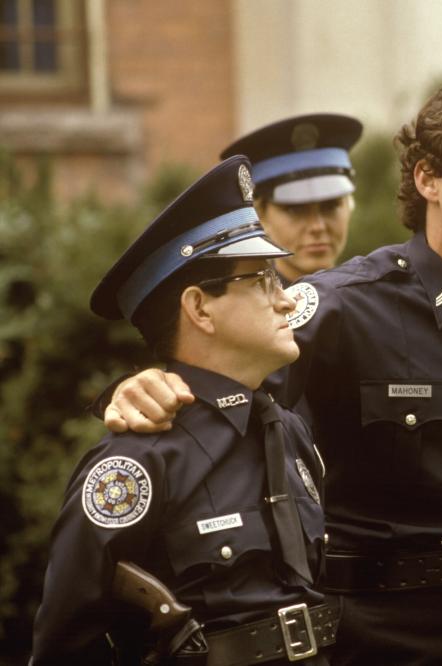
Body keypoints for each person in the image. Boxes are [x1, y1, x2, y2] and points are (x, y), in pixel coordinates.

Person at [99, 73, 442, 665]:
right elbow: (225, 391)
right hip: (376, 635)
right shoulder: (340, 307)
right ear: (428, 179)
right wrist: (147, 386)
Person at [32, 157, 336, 665]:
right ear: (199, 309)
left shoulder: (288, 430)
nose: (287, 300)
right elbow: (66, 644)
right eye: (263, 280)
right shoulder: (135, 467)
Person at [221, 113, 363, 285]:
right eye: (295, 209)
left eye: (330, 206)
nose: (317, 226)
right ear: (260, 216)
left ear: (350, 205)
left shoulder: (372, 301)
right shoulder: (244, 309)